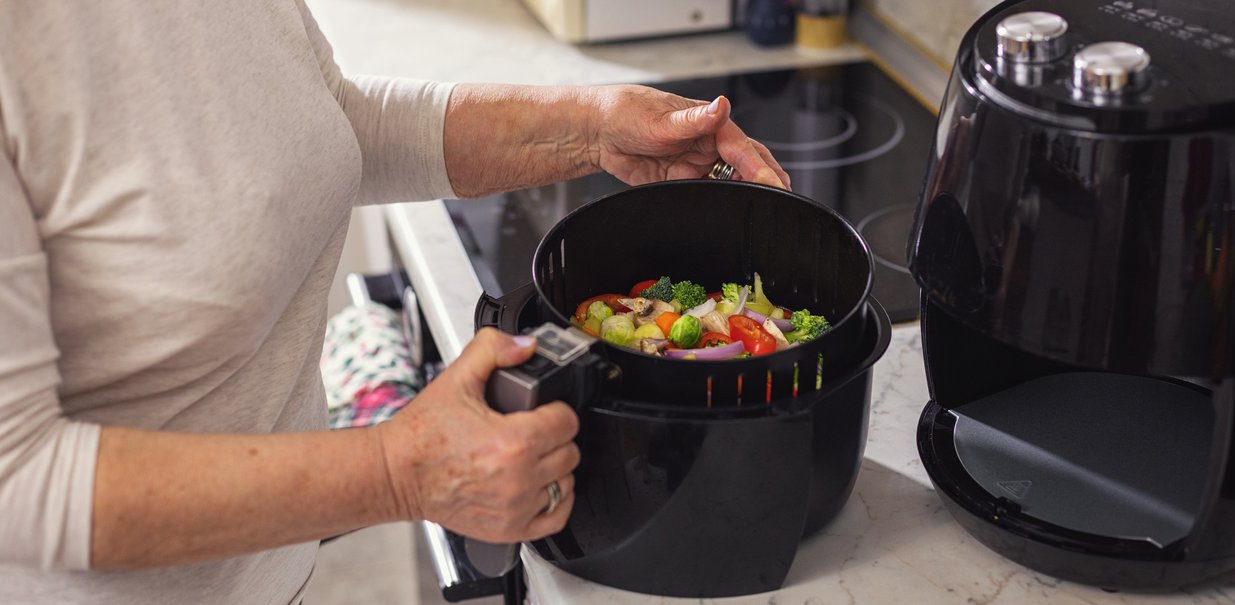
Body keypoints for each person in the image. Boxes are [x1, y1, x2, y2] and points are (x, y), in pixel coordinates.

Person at [0, 1, 790, 603]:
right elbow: (16, 479)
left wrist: (589, 129)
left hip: (275, 574)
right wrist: (397, 469)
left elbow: (321, 120)